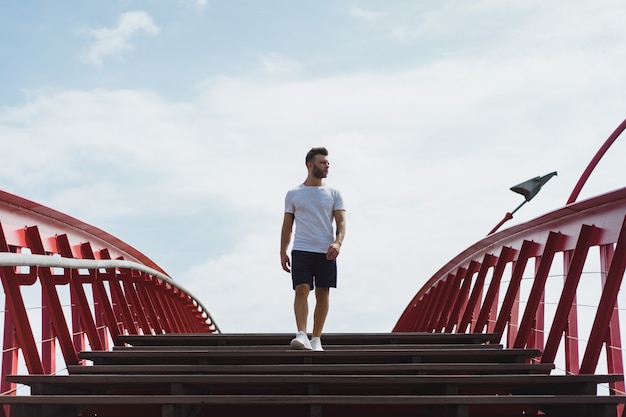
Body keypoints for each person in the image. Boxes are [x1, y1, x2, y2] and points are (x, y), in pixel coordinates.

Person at [280, 147, 346, 351]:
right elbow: (287, 225)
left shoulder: (334, 193)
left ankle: (316, 338)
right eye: (322, 163)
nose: (327, 166)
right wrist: (283, 251)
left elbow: (341, 222)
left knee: (323, 293)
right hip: (301, 249)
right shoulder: (294, 193)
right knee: (301, 289)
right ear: (310, 165)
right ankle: (301, 334)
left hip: (325, 249)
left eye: (327, 163)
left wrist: (338, 243)